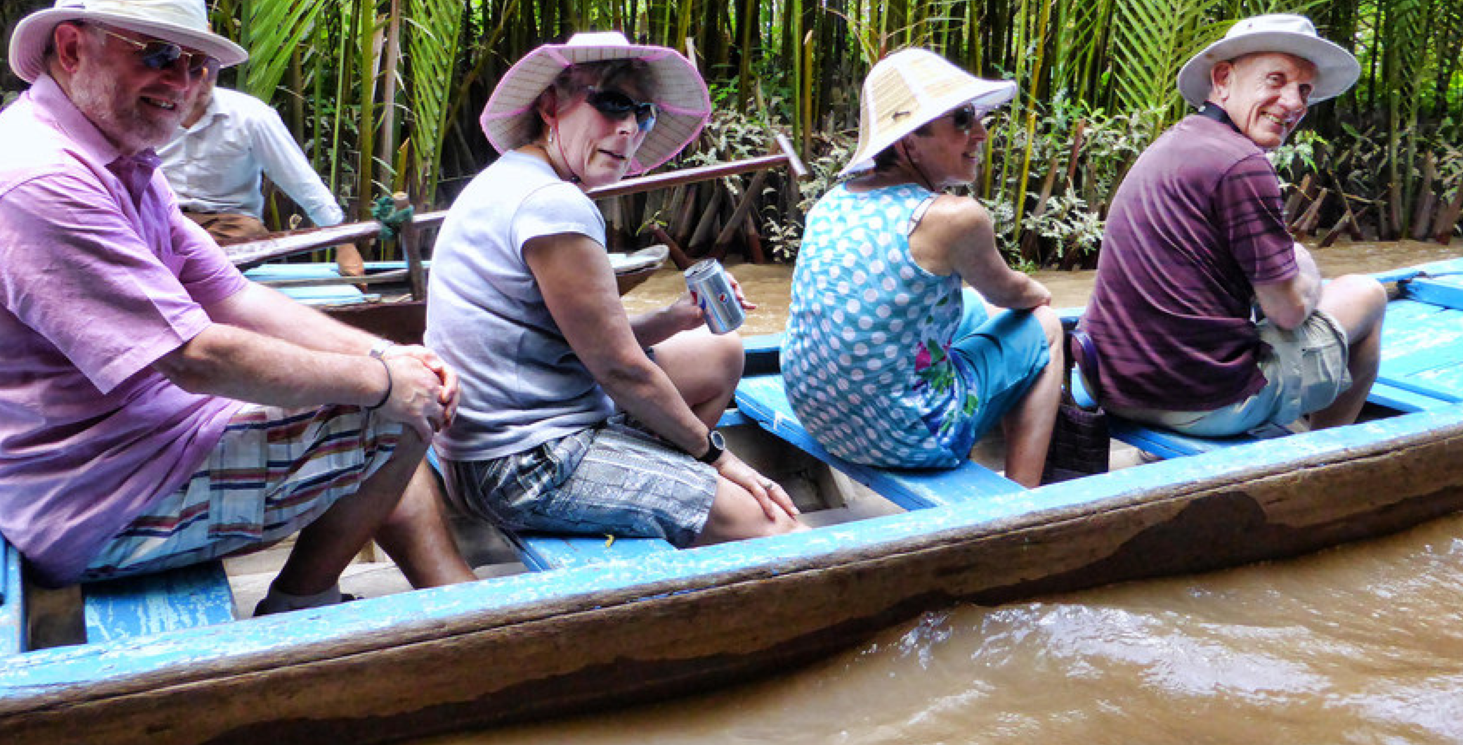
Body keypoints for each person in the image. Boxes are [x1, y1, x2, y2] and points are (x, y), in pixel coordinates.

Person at [0, 0, 472, 610]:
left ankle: (451, 603)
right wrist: (384, 382)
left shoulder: (121, 159)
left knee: (394, 394)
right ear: (70, 48)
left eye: (197, 64)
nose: (182, 80)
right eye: (156, 54)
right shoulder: (40, 177)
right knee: (398, 420)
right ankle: (304, 601)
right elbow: (194, 357)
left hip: (144, 444)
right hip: (98, 502)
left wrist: (387, 356)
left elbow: (233, 296)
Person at [425, 32, 802, 547]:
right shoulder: (553, 204)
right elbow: (621, 369)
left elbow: (586, 341)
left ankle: (669, 500)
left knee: (719, 351)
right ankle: (689, 505)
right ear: (551, 105)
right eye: (612, 103)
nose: (629, 128)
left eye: (642, 112)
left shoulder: (513, 177)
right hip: (524, 463)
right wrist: (718, 458)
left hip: (495, 445)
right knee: (778, 526)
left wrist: (675, 316)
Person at [1076, 13, 1388, 437]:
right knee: (1366, 295)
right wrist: (1307, 272)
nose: (1295, 103)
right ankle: (1328, 450)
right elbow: (1289, 311)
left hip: (1109, 383)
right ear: (1223, 78)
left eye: (1303, 90)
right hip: (1198, 403)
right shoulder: (1243, 164)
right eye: (1275, 80)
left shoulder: (1175, 141)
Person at [782, 49, 1063, 485]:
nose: (981, 133)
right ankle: (1021, 499)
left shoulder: (829, 202)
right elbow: (1010, 293)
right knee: (1045, 325)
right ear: (908, 141)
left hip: (822, 421)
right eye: (963, 119)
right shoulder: (954, 217)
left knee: (968, 306)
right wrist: (1038, 296)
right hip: (910, 435)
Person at [157, 78, 364, 276]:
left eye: (208, 69)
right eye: (192, 71)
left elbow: (300, 181)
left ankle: (171, 268)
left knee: (248, 236)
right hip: (160, 221)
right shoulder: (146, 110)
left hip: (227, 226)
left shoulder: (251, 115)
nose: (202, 81)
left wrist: (343, 242)